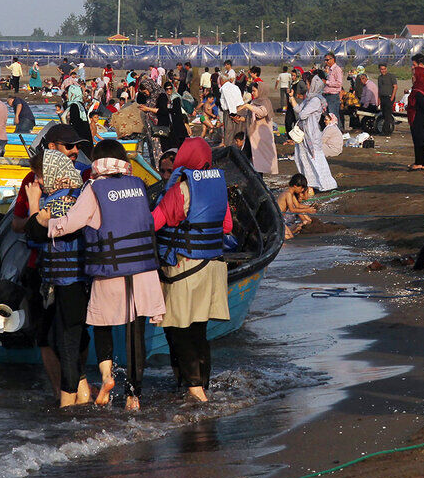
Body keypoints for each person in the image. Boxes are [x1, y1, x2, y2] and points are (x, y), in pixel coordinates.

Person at [36, 139, 165, 412]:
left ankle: (107, 378)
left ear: (97, 163)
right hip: (144, 272)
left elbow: (72, 222)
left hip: (110, 271)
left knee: (103, 324)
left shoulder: (95, 188)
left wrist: (47, 222)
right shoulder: (138, 186)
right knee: (135, 333)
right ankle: (134, 396)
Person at [151, 138, 233, 402]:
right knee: (198, 329)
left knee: (179, 328)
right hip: (212, 267)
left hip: (183, 268)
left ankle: (194, 390)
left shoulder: (181, 189)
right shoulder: (218, 186)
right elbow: (228, 227)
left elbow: (154, 223)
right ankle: (201, 385)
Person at [20, 148, 92, 407]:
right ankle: (83, 398)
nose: (37, 181)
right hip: (67, 281)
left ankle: (67, 406)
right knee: (61, 340)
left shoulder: (63, 201)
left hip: (70, 281)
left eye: (39, 176)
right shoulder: (75, 194)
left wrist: (32, 203)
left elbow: (34, 233)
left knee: (67, 343)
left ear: (51, 173)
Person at [290, 76, 337, 192]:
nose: (307, 86)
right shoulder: (309, 99)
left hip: (311, 134)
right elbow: (298, 109)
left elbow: (302, 115)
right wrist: (291, 98)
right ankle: (309, 184)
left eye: (308, 84)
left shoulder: (316, 100)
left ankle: (323, 184)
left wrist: (302, 112)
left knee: (314, 158)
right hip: (304, 134)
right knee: (303, 158)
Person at [240, 79, 278, 176]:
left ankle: (258, 184)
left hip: (260, 138)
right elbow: (249, 116)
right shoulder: (254, 101)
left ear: (261, 91)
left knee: (259, 162)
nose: (252, 93)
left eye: (254, 91)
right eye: (252, 91)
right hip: (251, 135)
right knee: (244, 158)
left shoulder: (265, 102)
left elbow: (261, 113)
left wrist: (248, 106)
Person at [279, 174, 317, 239]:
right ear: (295, 186)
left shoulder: (291, 193)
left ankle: (290, 231)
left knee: (290, 238)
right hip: (277, 219)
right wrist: (307, 210)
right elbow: (292, 210)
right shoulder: (288, 194)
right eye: (301, 188)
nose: (302, 190)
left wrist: (310, 207)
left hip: (280, 219)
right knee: (288, 239)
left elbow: (298, 205)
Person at [219, 69, 245, 147]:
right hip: (239, 109)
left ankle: (229, 149)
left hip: (231, 111)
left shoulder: (225, 88)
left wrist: (233, 115)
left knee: (229, 131)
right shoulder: (235, 86)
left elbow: (230, 101)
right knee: (237, 131)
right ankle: (237, 148)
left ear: (222, 81)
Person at [322, 53, 344, 121]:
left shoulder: (337, 69)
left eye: (327, 60)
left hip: (333, 96)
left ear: (333, 59)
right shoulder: (330, 70)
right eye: (325, 60)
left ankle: (338, 130)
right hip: (327, 96)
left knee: (333, 116)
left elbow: (339, 83)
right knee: (328, 116)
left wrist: (327, 82)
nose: (326, 62)